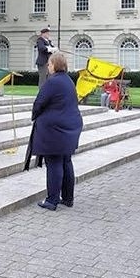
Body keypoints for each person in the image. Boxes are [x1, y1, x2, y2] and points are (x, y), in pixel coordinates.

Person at [30, 52, 83, 210]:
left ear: (55, 65)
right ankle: (67, 198)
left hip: (56, 130)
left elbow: (39, 103)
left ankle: (52, 200)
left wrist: (35, 116)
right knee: (66, 161)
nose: (48, 66)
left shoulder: (52, 82)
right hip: (70, 127)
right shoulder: (68, 80)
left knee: (54, 163)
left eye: (50, 64)